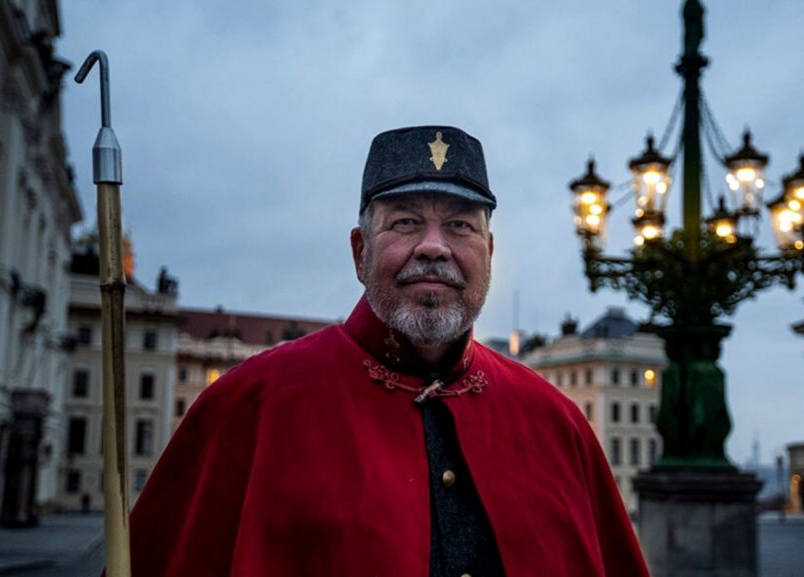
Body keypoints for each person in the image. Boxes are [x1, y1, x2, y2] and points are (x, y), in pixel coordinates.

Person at [126, 126, 650, 577]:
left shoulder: (557, 424)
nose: (434, 245)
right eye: (405, 222)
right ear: (360, 252)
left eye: (461, 225)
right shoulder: (249, 407)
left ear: (488, 254)